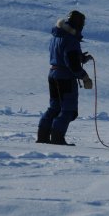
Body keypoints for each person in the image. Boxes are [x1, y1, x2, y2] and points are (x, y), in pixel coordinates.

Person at [37, 10, 93, 145]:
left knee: (54, 107)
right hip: (65, 78)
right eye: (82, 24)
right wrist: (85, 77)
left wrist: (81, 58)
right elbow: (72, 64)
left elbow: (63, 56)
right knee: (68, 109)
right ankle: (57, 138)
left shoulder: (57, 36)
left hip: (53, 74)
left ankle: (43, 136)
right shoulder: (70, 39)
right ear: (78, 24)